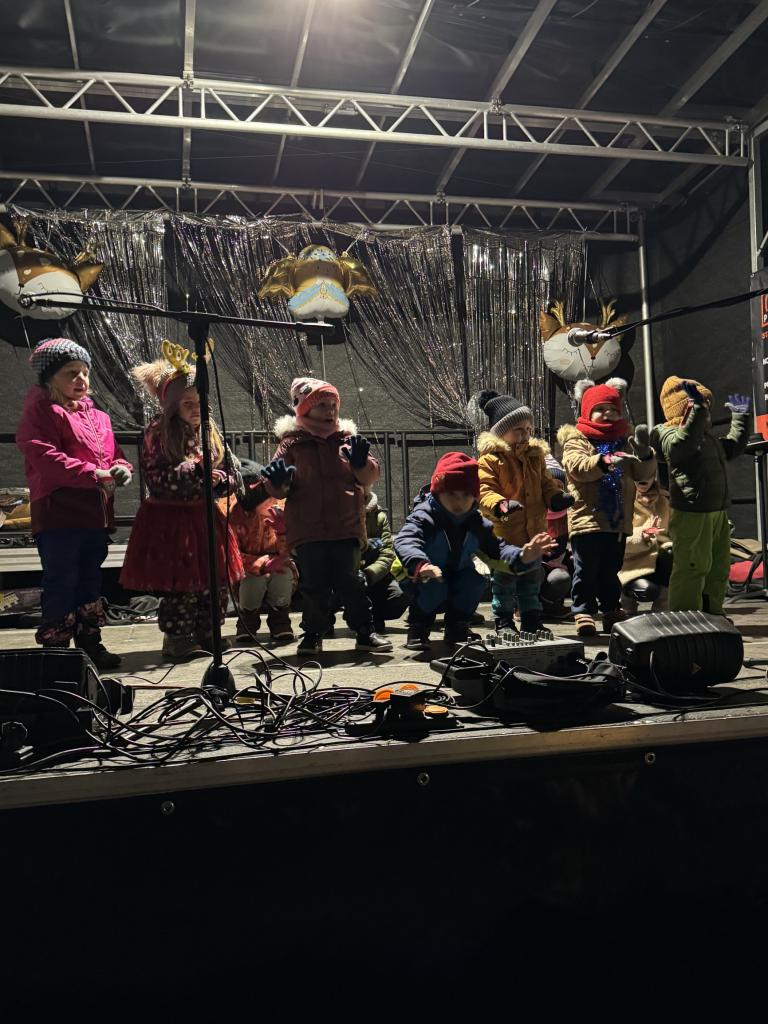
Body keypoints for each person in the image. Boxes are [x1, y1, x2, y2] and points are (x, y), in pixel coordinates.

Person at [119, 345, 243, 662]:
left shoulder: (210, 431)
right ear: (172, 405)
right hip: (172, 521)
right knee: (182, 583)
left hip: (205, 517)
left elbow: (230, 471)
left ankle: (208, 632)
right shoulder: (159, 431)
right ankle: (177, 637)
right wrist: (193, 471)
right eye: (188, 403)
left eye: (200, 403)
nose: (196, 409)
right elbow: (156, 476)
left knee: (213, 580)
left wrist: (222, 482)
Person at [16, 337, 133, 669]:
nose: (81, 379)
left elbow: (115, 455)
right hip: (59, 513)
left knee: (90, 579)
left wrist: (121, 468)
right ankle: (57, 651)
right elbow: (44, 456)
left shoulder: (100, 417)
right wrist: (93, 473)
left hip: (94, 514)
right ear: (49, 377)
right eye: (71, 372)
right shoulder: (42, 411)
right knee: (61, 579)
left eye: (84, 372)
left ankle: (90, 643)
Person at [261, 377, 392, 656]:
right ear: (304, 408)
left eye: (333, 404)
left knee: (352, 582)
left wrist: (362, 464)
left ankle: (365, 630)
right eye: (322, 405)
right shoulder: (292, 444)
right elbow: (277, 486)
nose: (330, 410)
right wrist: (278, 482)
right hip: (308, 531)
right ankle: (313, 633)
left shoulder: (347, 440)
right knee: (314, 586)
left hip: (346, 527)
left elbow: (369, 475)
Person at [393, 451, 553, 651]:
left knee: (474, 581)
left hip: (455, 573)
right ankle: (419, 626)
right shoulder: (424, 517)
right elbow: (405, 540)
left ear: (475, 497)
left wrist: (522, 556)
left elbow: (497, 549)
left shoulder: (475, 522)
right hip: (418, 573)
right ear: (437, 492)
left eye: (466, 495)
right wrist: (420, 564)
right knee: (433, 585)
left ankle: (457, 626)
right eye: (451, 494)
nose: (459, 502)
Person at [558, 377, 656, 637]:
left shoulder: (624, 440)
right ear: (586, 411)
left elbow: (642, 474)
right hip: (587, 519)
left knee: (611, 570)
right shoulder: (577, 438)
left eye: (613, 409)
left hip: (617, 521)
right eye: (600, 409)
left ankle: (611, 608)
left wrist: (645, 454)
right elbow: (578, 467)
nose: (608, 413)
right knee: (586, 569)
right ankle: (583, 610)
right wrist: (605, 460)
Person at [474, 390, 572, 633]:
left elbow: (546, 483)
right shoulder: (490, 461)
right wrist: (501, 505)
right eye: (518, 429)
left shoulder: (535, 457)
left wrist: (555, 497)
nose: (525, 434)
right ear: (500, 432)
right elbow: (485, 491)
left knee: (531, 579)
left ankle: (531, 620)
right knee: (504, 581)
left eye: (528, 429)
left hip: (534, 533)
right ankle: (504, 620)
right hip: (505, 535)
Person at [651, 377, 750, 615]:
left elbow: (733, 446)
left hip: (717, 512)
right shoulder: (666, 433)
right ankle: (686, 617)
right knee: (692, 566)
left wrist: (740, 418)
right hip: (692, 513)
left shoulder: (708, 439)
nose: (707, 414)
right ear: (684, 410)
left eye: (707, 408)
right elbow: (681, 446)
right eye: (701, 407)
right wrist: (696, 412)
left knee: (718, 567)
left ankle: (712, 612)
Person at [221, 460, 296, 646]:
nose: (272, 502)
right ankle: (248, 620)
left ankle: (280, 619)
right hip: (248, 571)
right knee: (253, 581)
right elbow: (232, 554)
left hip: (278, 564)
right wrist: (259, 564)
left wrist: (283, 533)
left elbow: (291, 549)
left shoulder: (281, 509)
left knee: (283, 575)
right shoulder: (233, 515)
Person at [618, 475, 673, 614]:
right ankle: (625, 596)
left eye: (652, 495)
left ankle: (663, 604)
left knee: (671, 553)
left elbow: (673, 532)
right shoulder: (623, 503)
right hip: (632, 563)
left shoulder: (664, 502)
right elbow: (617, 541)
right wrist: (642, 536)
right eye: (642, 496)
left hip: (659, 558)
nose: (647, 500)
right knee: (647, 590)